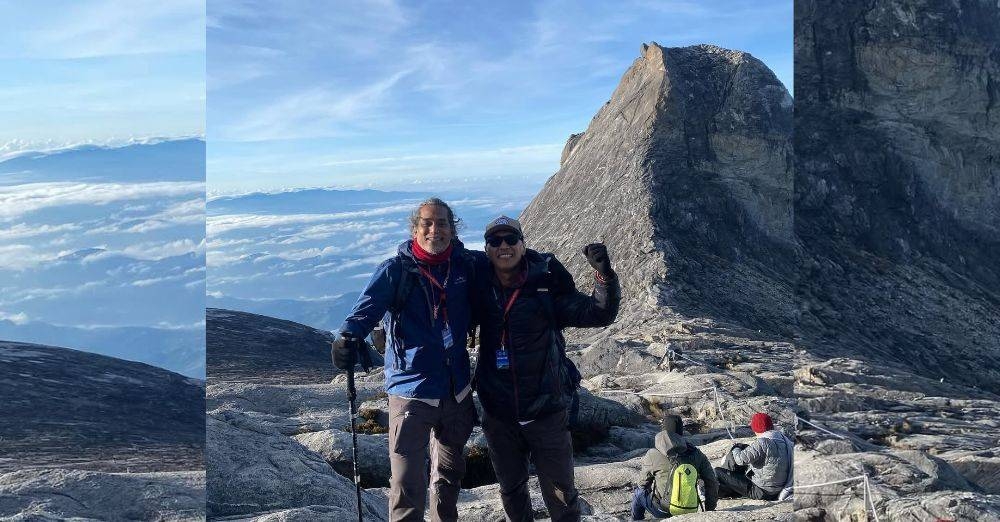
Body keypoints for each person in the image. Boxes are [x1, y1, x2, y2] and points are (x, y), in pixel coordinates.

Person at [334, 197, 477, 522]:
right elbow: (364, 312)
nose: (435, 229)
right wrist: (347, 338)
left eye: (442, 223)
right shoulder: (396, 271)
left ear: (452, 230)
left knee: (449, 479)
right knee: (406, 484)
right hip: (411, 391)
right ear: (415, 229)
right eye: (427, 223)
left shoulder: (465, 266)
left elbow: (507, 266)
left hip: (456, 392)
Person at [472, 215, 620, 522]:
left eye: (511, 239)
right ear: (486, 249)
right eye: (495, 241)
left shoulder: (544, 286)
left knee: (562, 495)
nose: (503, 246)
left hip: (546, 411)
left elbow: (598, 313)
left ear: (523, 244)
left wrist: (604, 276)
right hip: (499, 414)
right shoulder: (479, 287)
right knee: (511, 491)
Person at [632, 415, 719, 519]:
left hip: (663, 510)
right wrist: (709, 510)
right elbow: (712, 482)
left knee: (638, 492)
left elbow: (642, 484)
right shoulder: (696, 453)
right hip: (690, 509)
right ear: (681, 431)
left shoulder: (653, 454)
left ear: (663, 431)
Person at [714, 412, 793, 501]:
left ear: (755, 428)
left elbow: (740, 460)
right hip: (777, 489)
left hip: (762, 491)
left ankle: (719, 488)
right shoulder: (782, 439)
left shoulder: (762, 442)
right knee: (744, 449)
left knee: (718, 471)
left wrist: (735, 447)